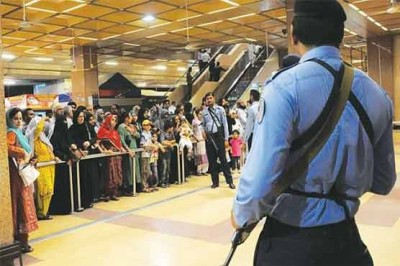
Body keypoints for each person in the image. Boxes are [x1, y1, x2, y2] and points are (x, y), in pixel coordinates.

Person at [232, 1, 396, 266]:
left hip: (289, 242)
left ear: (294, 34)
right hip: (347, 242)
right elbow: (384, 181)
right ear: (340, 35)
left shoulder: (283, 88)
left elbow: (260, 181)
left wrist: (241, 217)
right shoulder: (377, 95)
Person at [7, 108, 39, 253]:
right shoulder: (11, 133)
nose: (19, 121)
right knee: (20, 204)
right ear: (9, 120)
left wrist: (32, 158)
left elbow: (28, 151)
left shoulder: (20, 134)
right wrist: (23, 153)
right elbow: (8, 148)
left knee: (25, 203)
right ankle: (20, 241)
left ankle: (23, 240)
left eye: (20, 118)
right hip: (16, 176)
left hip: (23, 174)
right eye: (15, 118)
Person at [202, 92, 235, 189]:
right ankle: (215, 182)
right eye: (207, 99)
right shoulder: (204, 111)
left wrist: (225, 139)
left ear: (214, 98)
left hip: (219, 137)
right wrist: (203, 132)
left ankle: (230, 181)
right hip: (209, 137)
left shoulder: (220, 110)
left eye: (210, 98)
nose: (209, 100)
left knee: (223, 160)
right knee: (212, 161)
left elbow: (224, 124)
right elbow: (203, 124)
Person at [26, 116, 55, 220]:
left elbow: (50, 130)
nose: (43, 128)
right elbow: (37, 128)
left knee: (49, 190)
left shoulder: (43, 137)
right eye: (41, 125)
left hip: (49, 167)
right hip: (41, 169)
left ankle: (45, 211)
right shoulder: (32, 136)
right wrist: (43, 118)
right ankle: (41, 213)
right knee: (43, 190)